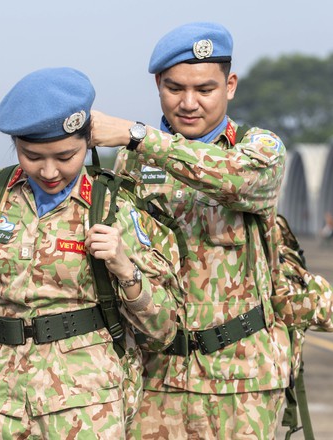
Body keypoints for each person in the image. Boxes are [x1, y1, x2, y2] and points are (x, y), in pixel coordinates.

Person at [0, 67, 182, 439]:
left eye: (66, 156)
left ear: (89, 141)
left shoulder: (114, 205)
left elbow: (163, 330)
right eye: (31, 156)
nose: (49, 171)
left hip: (84, 400)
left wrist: (124, 267)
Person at [91, 22, 291, 439]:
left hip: (243, 379)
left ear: (230, 85)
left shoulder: (259, 150)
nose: (188, 103)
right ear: (158, 86)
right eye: (174, 88)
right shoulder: (132, 164)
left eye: (204, 89)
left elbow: (233, 180)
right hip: (156, 378)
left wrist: (137, 135)